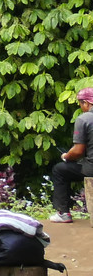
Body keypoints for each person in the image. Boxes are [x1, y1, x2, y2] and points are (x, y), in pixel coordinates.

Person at [48, 87, 93, 222]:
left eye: (81, 104)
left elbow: (78, 151)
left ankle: (63, 213)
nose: (81, 107)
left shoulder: (84, 119)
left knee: (59, 170)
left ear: (86, 102)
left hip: (91, 168)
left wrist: (66, 156)